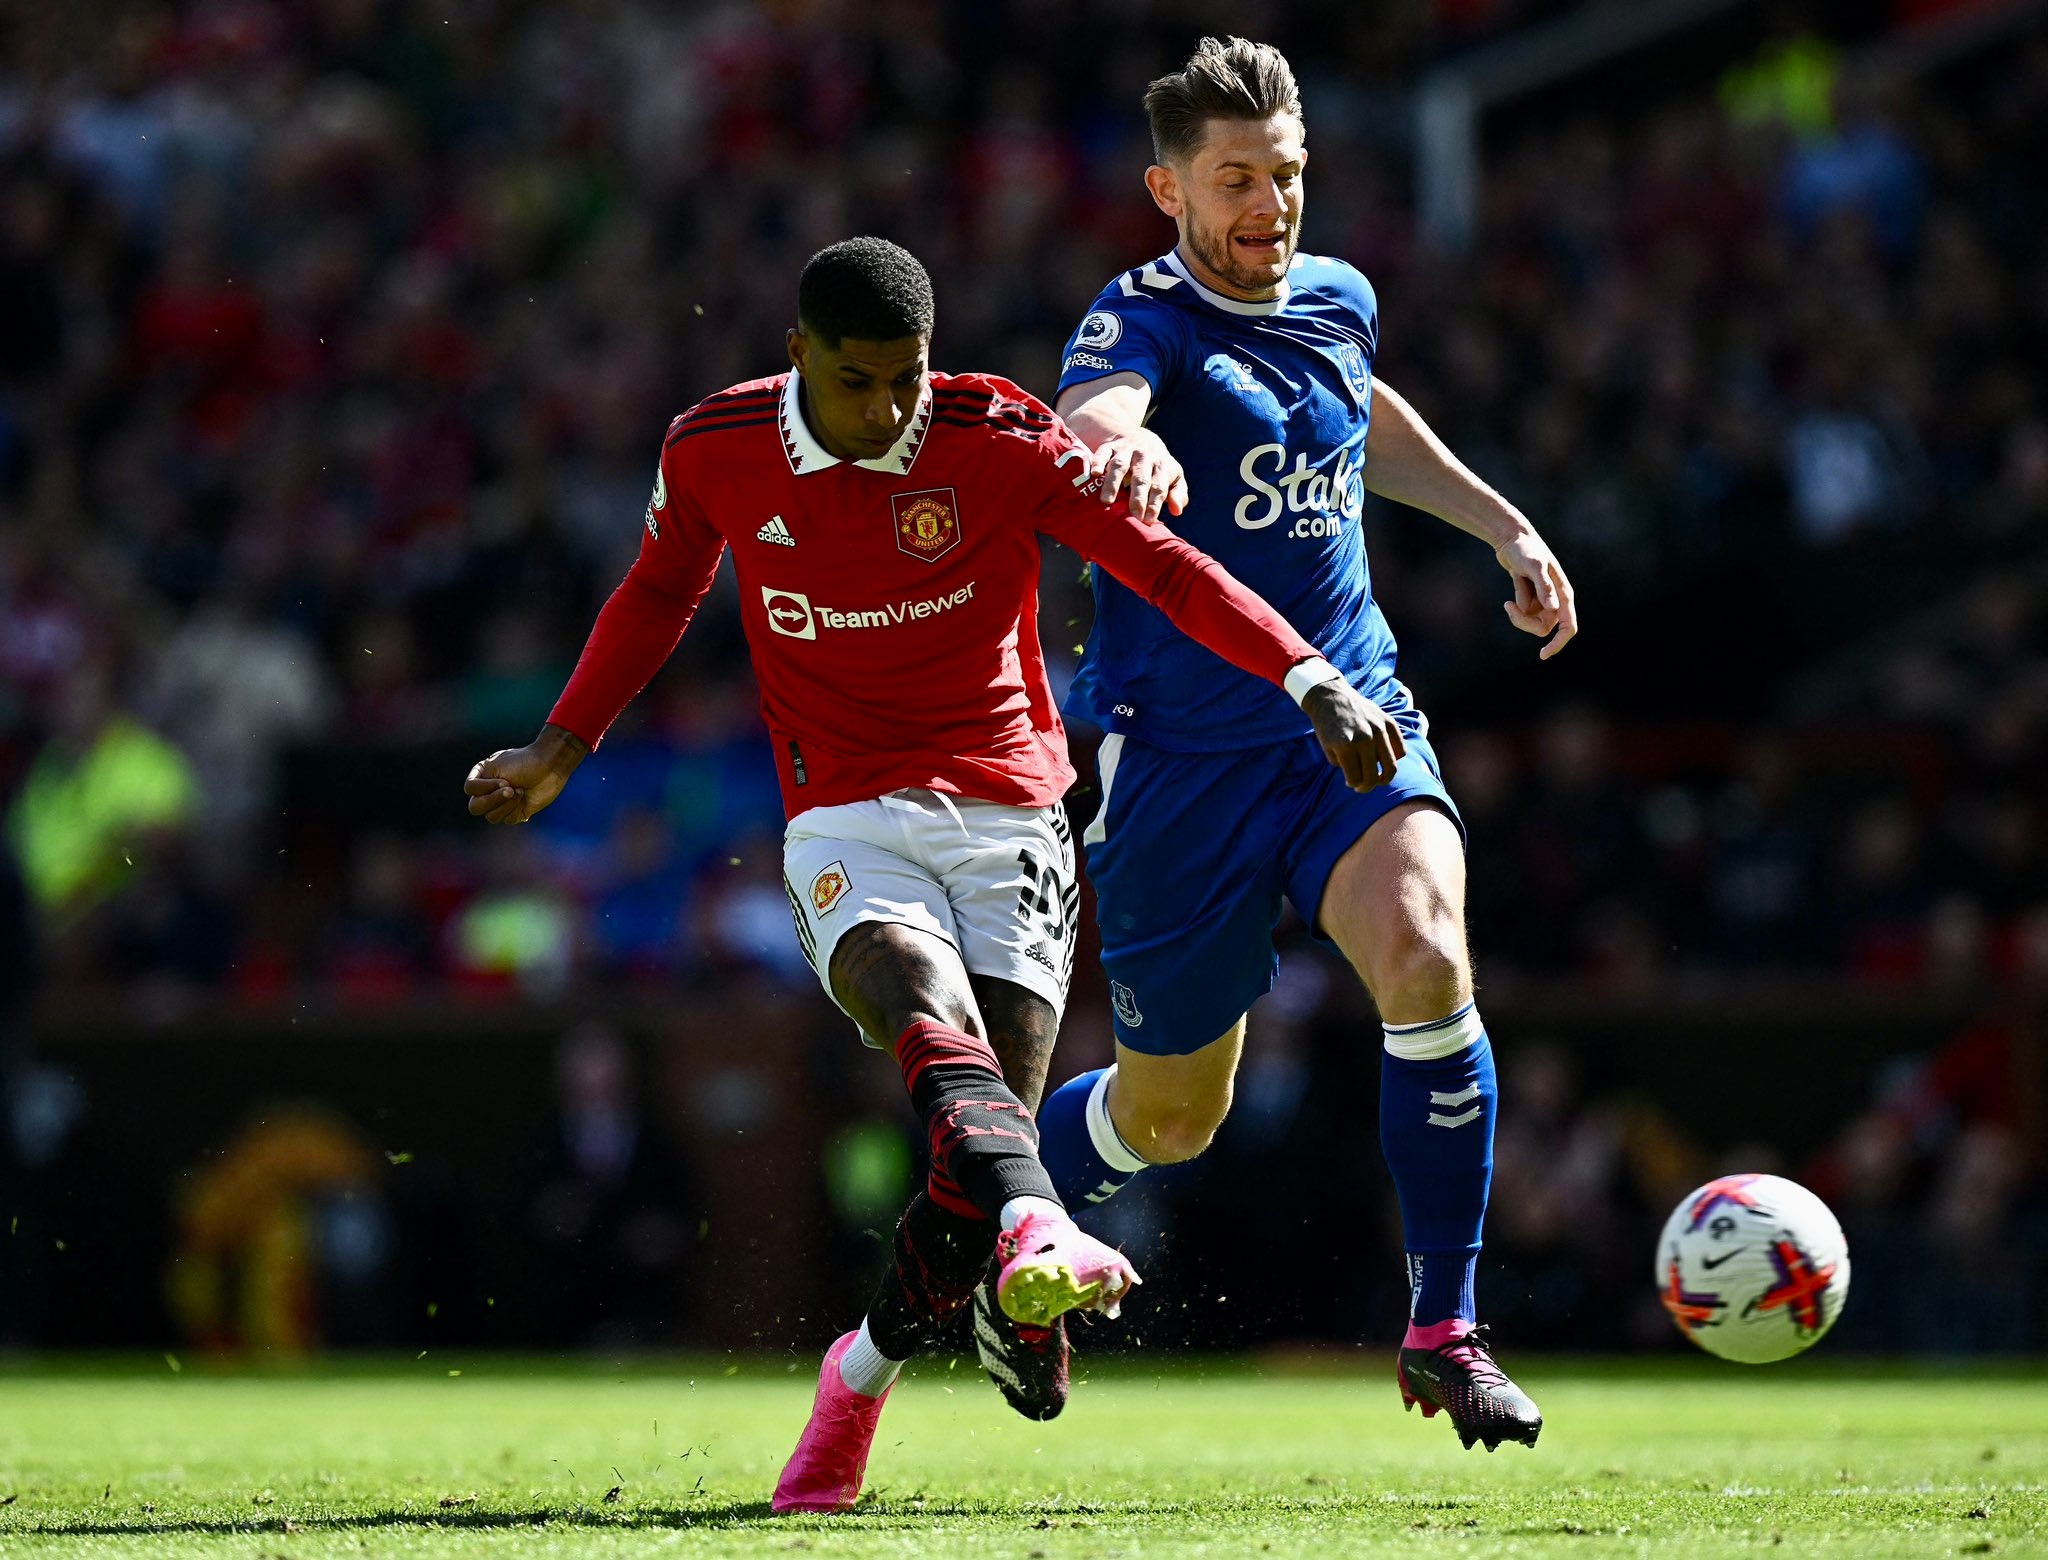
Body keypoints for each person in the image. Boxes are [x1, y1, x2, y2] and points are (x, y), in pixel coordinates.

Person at [464, 237, 1400, 1508]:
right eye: (859, 383)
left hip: (1010, 811)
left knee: (970, 1167)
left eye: (907, 377)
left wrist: (1307, 676)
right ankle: (1042, 1232)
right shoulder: (715, 447)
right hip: (843, 815)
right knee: (913, 1001)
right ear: (799, 355)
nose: (890, 408)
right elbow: (657, 588)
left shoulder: (995, 437)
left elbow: (1162, 568)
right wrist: (559, 747)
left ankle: (855, 1379)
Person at [989, 39, 1579, 1452]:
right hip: (1179, 762)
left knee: (1428, 949)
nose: (1271, 205)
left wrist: (1501, 522)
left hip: (1345, 718)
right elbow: (1095, 414)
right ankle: (982, 1194)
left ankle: (1446, 1326)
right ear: (1168, 189)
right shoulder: (1135, 319)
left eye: (1289, 175)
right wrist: (1118, 449)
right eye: (1236, 180)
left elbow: (1357, 412)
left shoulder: (1337, 296)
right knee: (1173, 1115)